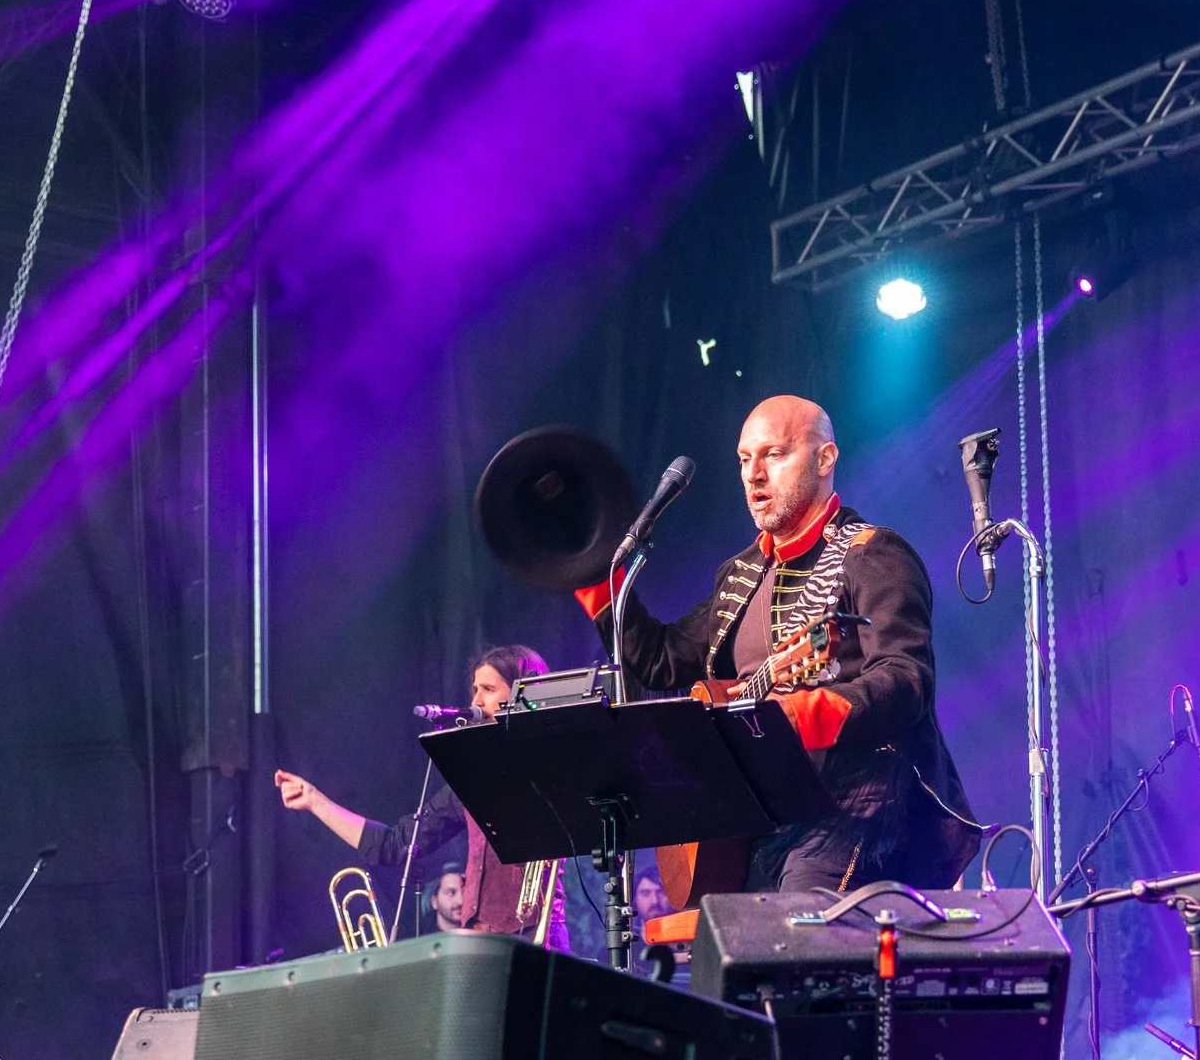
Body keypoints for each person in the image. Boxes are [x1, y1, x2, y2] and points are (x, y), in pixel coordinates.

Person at [574, 395, 977, 893]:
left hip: (852, 808)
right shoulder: (741, 573)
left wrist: (802, 714)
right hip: (756, 821)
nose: (753, 474)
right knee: (724, 938)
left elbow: (905, 679)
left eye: (774, 454)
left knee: (792, 930)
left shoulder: (872, 553)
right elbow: (659, 660)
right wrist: (589, 573)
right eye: (744, 459)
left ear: (825, 459)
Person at [275, 644, 565, 943]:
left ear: (521, 694)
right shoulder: (471, 779)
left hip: (534, 937)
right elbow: (396, 844)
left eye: (488, 689)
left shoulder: (550, 763)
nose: (476, 701)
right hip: (478, 944)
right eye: (475, 689)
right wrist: (316, 802)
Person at [429, 865, 469, 933]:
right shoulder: (422, 938)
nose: (461, 901)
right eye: (451, 893)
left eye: (465, 893)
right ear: (434, 901)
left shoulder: (481, 936)